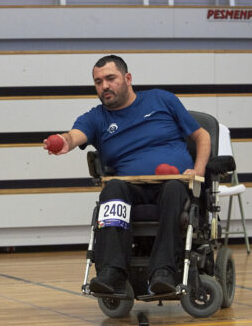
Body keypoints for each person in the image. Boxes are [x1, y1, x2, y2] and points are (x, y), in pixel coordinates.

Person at [43, 55, 210, 294]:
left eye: (110, 78)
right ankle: (112, 273)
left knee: (173, 188)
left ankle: (163, 272)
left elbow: (201, 136)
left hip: (173, 184)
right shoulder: (96, 117)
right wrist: (61, 141)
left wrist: (198, 171)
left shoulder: (162, 100)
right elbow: (73, 136)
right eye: (98, 82)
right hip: (130, 188)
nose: (104, 86)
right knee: (111, 190)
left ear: (128, 78)